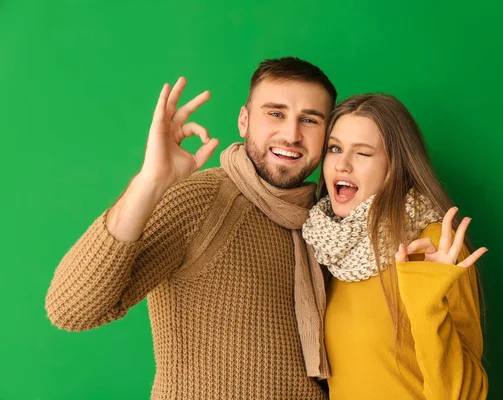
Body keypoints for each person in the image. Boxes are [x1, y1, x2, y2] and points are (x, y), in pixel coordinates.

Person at [46, 57, 336, 399]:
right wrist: (150, 183)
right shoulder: (201, 201)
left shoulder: (326, 227)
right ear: (244, 121)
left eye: (310, 120)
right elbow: (70, 310)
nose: (291, 134)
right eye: (275, 113)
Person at [302, 93, 489, 399]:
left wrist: (428, 303)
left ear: (395, 166)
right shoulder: (328, 248)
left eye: (363, 153)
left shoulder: (432, 246)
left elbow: (465, 395)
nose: (342, 164)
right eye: (335, 148)